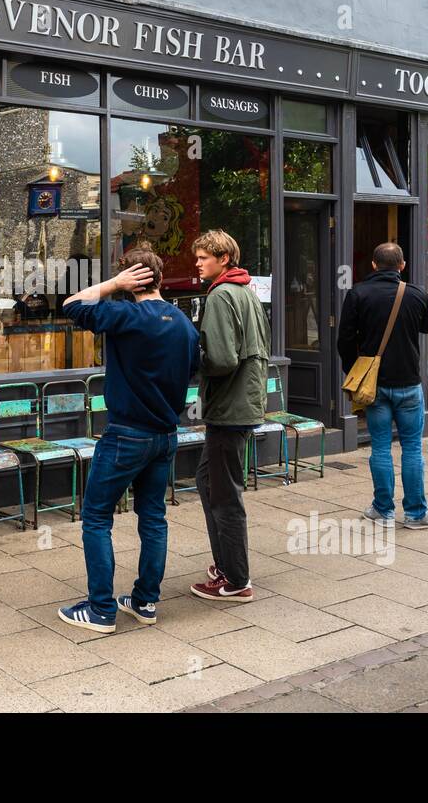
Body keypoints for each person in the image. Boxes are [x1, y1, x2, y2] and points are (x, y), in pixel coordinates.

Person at [56, 247, 199, 633]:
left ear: (131, 278)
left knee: (96, 517)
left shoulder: (126, 314)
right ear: (160, 277)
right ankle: (145, 601)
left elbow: (71, 304)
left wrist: (112, 285)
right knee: (153, 518)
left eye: (123, 277)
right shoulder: (184, 324)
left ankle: (101, 609)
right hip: (165, 434)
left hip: (126, 435)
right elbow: (195, 368)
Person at [188, 230, 270, 602]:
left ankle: (236, 580)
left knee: (224, 495)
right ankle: (226, 562)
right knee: (208, 479)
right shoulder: (245, 291)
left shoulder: (221, 295)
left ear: (223, 258)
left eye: (204, 257)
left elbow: (222, 360)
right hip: (243, 403)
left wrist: (192, 356)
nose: (198, 262)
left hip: (230, 408)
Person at [337, 242, 428, 528]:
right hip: (409, 382)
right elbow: (426, 327)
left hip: (375, 386)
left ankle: (382, 511)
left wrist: (356, 370)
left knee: (380, 447)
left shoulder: (358, 293)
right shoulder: (417, 293)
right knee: (412, 448)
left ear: (373, 264)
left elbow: (344, 340)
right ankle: (416, 514)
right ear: (402, 265)